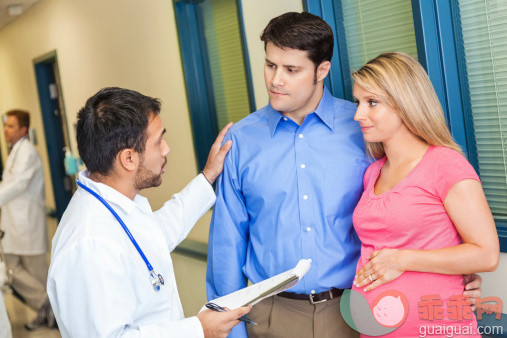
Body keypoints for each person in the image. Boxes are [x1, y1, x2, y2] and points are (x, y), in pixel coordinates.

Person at [206, 12, 484, 338]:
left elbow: (410, 208)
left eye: (291, 70)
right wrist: (228, 330)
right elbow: (227, 243)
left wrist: (457, 273)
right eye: (270, 65)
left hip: (356, 311)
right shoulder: (240, 140)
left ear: (322, 70)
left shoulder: (365, 128)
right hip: (271, 316)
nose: (275, 80)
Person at [47, 87, 250, 337]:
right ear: (129, 159)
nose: (166, 150)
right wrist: (198, 329)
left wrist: (208, 176)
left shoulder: (112, 204)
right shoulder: (90, 242)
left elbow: (158, 232)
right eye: (158, 141)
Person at [351, 52, 499, 337]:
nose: (358, 114)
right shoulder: (374, 172)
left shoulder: (445, 165)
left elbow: (487, 254)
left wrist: (402, 259)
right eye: (358, 102)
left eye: (372, 102)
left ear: (405, 104)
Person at [0, 110, 55, 330]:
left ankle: (50, 311)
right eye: (5, 126)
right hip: (13, 224)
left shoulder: (28, 152)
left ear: (23, 129)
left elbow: (19, 185)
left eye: (11, 126)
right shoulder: (16, 151)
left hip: (27, 224)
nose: (6, 130)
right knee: (10, 269)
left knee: (37, 274)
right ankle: (45, 305)